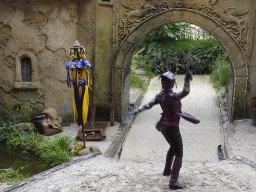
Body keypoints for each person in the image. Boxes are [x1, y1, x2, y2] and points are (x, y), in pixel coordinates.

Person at [129, 71, 200, 190]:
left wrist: (136, 111)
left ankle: (167, 170)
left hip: (163, 127)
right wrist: (187, 80)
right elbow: (186, 91)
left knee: (173, 147)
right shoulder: (172, 96)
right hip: (172, 127)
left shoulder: (160, 95)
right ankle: (173, 181)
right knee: (179, 154)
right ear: (172, 83)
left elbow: (148, 105)